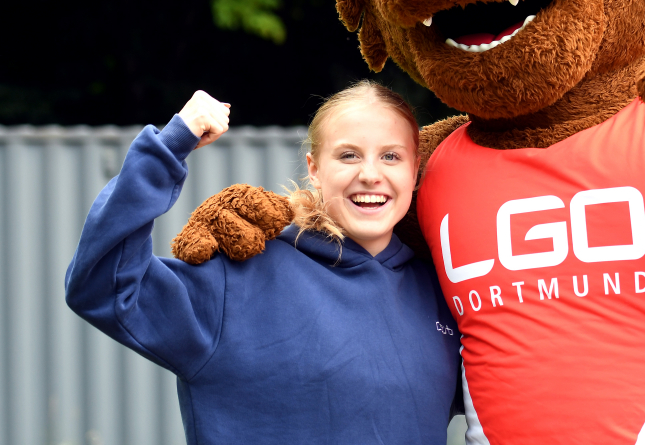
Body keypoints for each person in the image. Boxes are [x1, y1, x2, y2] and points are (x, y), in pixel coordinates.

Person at [65, 82, 461, 445]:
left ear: (414, 172)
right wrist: (167, 148)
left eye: (391, 156)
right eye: (348, 155)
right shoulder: (238, 277)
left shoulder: (448, 293)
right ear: (315, 169)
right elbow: (102, 285)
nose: (370, 174)